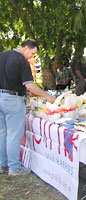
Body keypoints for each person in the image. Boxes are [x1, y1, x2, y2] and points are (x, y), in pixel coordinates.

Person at [0, 39, 55, 176]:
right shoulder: (22, 61)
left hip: (1, 96)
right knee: (14, 134)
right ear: (25, 48)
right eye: (32, 53)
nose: (32, 56)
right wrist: (47, 96)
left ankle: (1, 164)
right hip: (13, 100)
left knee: (2, 133)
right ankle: (14, 167)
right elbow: (29, 85)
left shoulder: (3, 56)